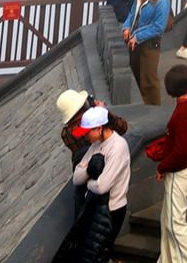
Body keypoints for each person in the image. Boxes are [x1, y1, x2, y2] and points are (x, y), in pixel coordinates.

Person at [145, 62, 187, 263]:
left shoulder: (181, 114)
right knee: (168, 217)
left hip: (179, 172)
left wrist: (162, 166)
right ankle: (167, 259)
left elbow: (180, 151)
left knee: (175, 223)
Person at [69, 104, 132, 261]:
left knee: (99, 254)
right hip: (94, 207)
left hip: (112, 210)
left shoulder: (118, 146)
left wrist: (88, 182)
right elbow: (76, 178)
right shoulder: (96, 145)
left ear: (99, 128)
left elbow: (102, 186)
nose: (85, 137)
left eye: (87, 132)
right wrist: (90, 172)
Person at [122, 0, 169, 105]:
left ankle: (153, 110)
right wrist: (126, 27)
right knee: (136, 75)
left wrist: (137, 36)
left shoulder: (162, 1)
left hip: (150, 45)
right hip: (135, 42)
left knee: (149, 80)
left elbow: (158, 27)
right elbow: (131, 15)